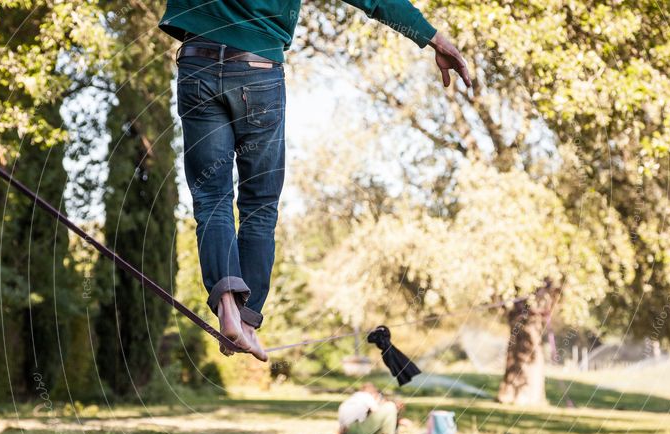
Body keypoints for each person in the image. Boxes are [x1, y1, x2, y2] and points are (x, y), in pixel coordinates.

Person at [160, 2, 471, 361]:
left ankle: (228, 304)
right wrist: (432, 37)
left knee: (212, 196)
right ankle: (246, 322)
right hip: (258, 66)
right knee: (258, 204)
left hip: (197, 62)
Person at [337, 383, 404, 434]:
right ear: (373, 392)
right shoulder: (367, 396)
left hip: (347, 433)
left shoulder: (353, 398)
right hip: (356, 429)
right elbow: (375, 409)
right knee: (390, 406)